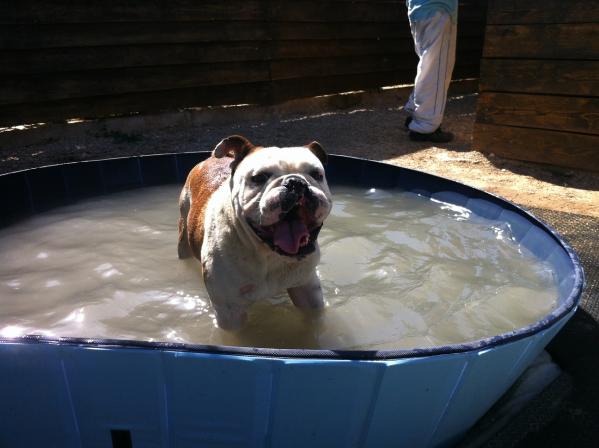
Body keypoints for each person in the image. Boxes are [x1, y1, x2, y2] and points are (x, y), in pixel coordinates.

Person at [404, 0, 458, 143]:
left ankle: (416, 114)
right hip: (438, 10)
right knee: (437, 70)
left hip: (418, 10)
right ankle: (424, 127)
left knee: (427, 65)